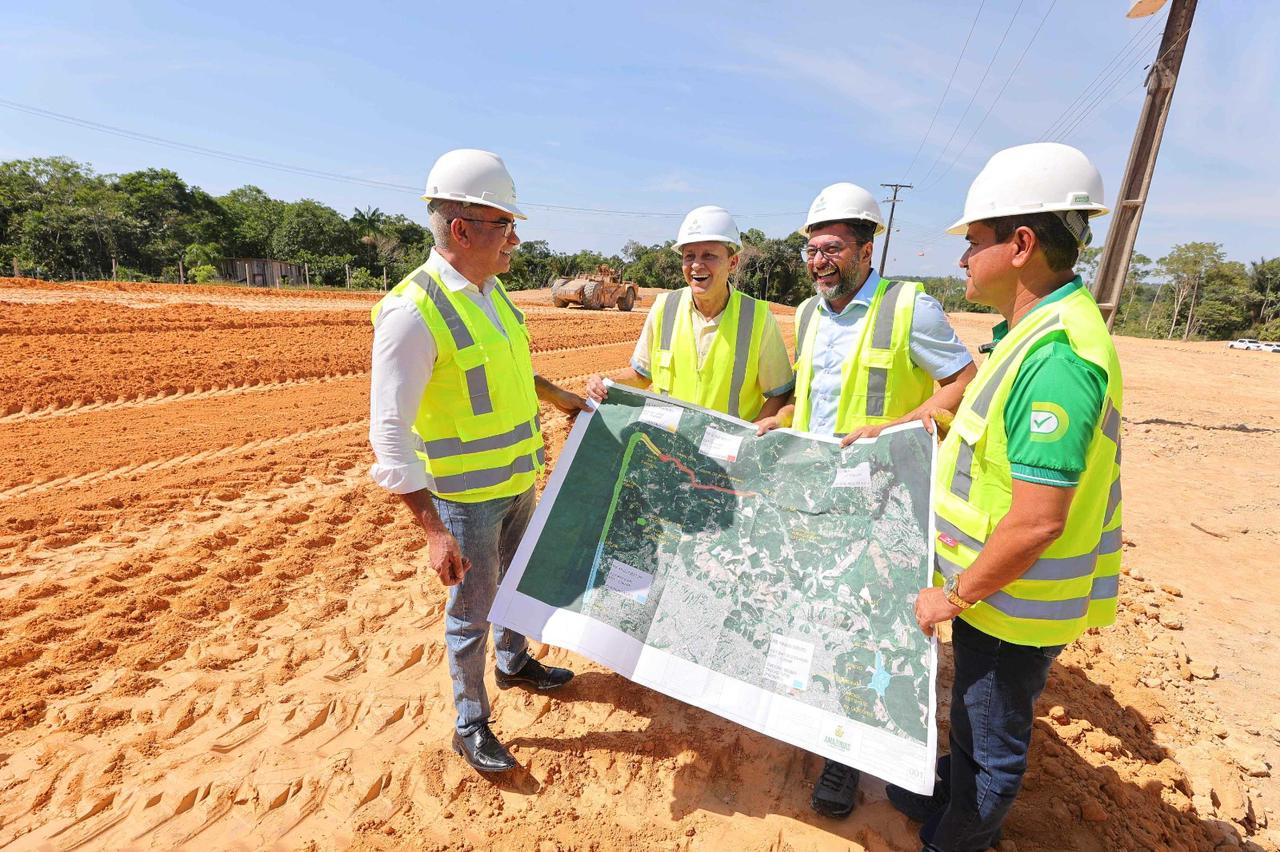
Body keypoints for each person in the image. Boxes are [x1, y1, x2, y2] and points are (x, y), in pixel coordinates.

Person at [886, 142, 1122, 851]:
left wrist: (952, 595)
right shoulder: (1031, 330)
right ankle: (943, 792)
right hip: (996, 593)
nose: (962, 258)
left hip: (1013, 603)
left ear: (1020, 245)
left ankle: (956, 836)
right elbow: (975, 425)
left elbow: (1038, 522)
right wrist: (893, 427)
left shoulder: (1057, 359)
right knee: (971, 716)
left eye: (973, 242)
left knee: (992, 747)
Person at [368, 148, 590, 774]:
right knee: (470, 616)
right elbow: (387, 432)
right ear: (462, 228)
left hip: (520, 481)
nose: (515, 239)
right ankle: (471, 723)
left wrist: (560, 397)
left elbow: (511, 372)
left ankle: (514, 661)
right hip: (465, 501)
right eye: (505, 225)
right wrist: (433, 530)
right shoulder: (413, 311)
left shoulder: (493, 294)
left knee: (517, 586)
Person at [766, 182, 976, 819]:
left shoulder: (911, 306)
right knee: (819, 606)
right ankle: (815, 716)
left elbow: (962, 382)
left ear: (866, 248)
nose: (818, 261)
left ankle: (844, 759)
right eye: (810, 250)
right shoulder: (807, 314)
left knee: (866, 623)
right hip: (820, 490)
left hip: (885, 497)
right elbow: (816, 395)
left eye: (831, 248)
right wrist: (788, 418)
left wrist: (899, 427)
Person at [584, 205, 793, 422]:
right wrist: (606, 381)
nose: (696, 265)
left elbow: (779, 393)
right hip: (671, 445)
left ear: (733, 262)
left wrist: (749, 440)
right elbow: (641, 375)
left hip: (726, 451)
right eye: (689, 256)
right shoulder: (664, 307)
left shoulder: (757, 317)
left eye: (709, 256)